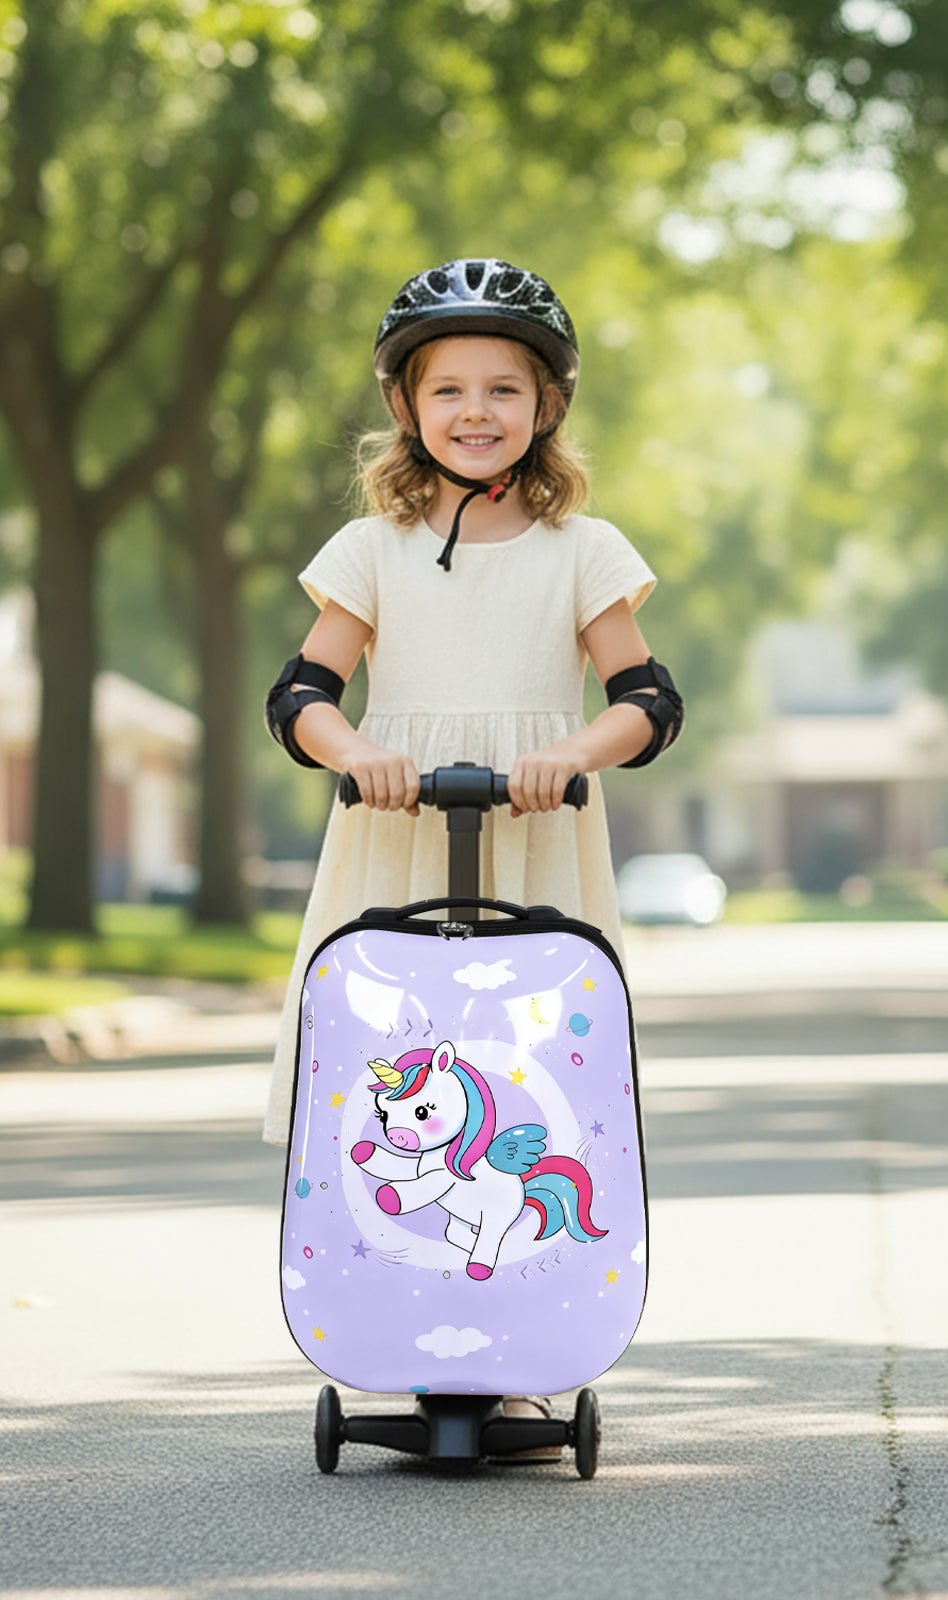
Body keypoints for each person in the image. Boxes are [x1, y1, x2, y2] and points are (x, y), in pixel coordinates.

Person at [261, 258, 683, 1447]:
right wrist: (352, 750)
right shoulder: (372, 548)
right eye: (449, 389)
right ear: (406, 405)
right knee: (393, 1079)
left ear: (547, 405)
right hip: (393, 836)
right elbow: (300, 689)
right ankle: (396, 1312)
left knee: (515, 1087)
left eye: (506, 387)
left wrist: (573, 751)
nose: (477, 412)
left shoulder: (581, 547)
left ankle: (513, 1330)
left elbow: (647, 696)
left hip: (536, 840)